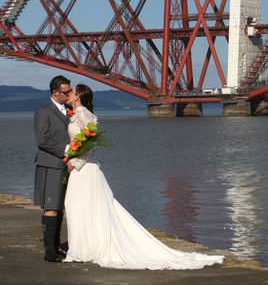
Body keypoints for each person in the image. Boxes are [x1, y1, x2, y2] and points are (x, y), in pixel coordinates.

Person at [64, 84, 224, 270]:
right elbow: (79, 141)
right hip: (80, 169)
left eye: (72, 92)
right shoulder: (76, 114)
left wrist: (74, 162)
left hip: (83, 169)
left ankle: (83, 249)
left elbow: (89, 144)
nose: (69, 95)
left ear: (78, 97)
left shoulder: (84, 114)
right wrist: (71, 154)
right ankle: (82, 248)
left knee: (77, 205)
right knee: (79, 206)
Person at [34, 75, 72, 262]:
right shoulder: (44, 111)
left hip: (65, 165)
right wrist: (67, 149)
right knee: (51, 206)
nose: (69, 94)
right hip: (51, 164)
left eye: (70, 90)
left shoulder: (69, 109)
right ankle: (50, 252)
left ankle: (56, 247)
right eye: (66, 92)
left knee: (59, 207)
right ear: (55, 92)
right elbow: (43, 140)